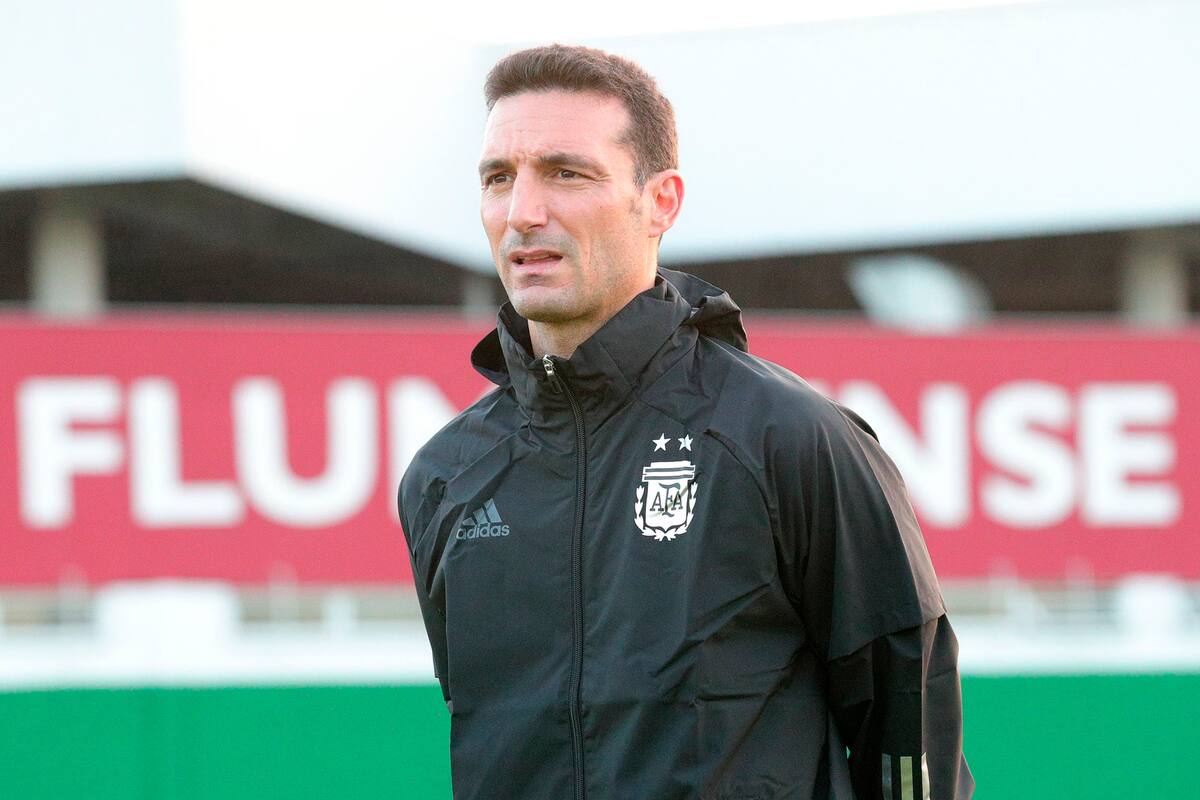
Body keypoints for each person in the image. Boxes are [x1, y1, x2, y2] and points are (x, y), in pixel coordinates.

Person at [398, 44, 974, 800]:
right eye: (499, 179)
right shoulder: (445, 476)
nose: (523, 213)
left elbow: (908, 740)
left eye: (567, 173)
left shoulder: (787, 437)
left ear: (661, 200)